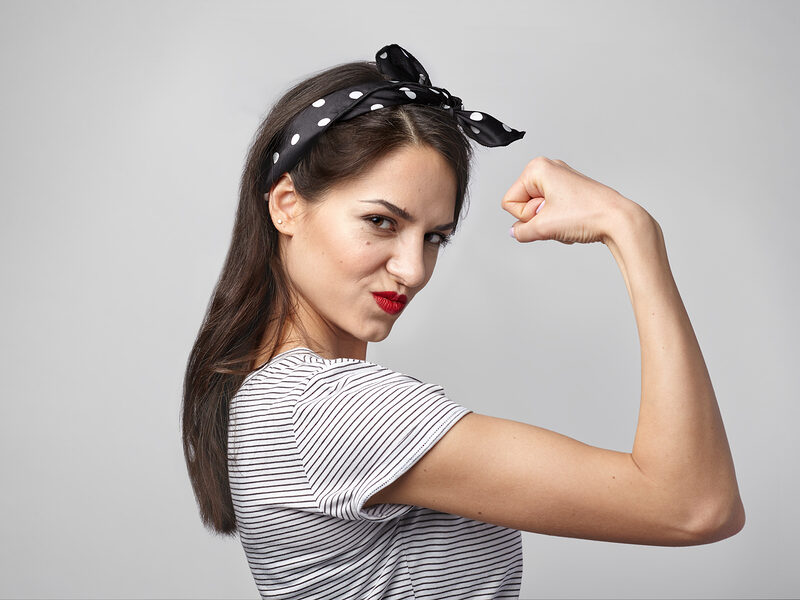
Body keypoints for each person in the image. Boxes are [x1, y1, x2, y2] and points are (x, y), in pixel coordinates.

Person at [181, 43, 745, 599]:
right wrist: (632, 231)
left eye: (434, 237)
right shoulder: (328, 408)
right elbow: (694, 505)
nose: (413, 268)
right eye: (380, 221)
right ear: (286, 206)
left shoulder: (271, 396)